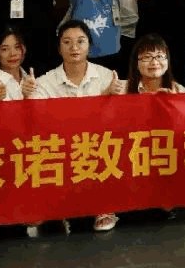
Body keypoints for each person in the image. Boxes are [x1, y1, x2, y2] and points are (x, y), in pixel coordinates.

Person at [33, 20, 125, 232]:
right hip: (63, 144)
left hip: (96, 145)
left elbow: (118, 118)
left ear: (89, 46)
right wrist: (102, 99)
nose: (74, 47)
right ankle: (61, 205)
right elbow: (44, 120)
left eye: (80, 41)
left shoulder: (107, 76)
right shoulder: (45, 82)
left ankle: (104, 206)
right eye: (67, 42)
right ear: (59, 48)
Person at [0, 26, 39, 102]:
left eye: (17, 47)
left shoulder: (32, 81)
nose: (12, 54)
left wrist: (27, 96)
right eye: (5, 49)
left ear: (24, 49)